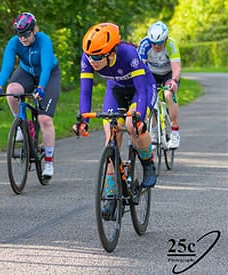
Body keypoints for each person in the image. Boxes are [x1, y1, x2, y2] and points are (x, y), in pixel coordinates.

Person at [74, 23, 157, 217]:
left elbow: (142, 90)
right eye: (89, 56)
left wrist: (140, 117)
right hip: (116, 90)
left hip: (141, 89)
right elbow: (86, 91)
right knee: (111, 135)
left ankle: (148, 162)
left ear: (111, 53)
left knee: (132, 125)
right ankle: (111, 192)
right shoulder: (88, 58)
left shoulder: (129, 54)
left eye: (96, 57)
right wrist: (83, 119)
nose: (91, 60)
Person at [0, 12, 61, 180]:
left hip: (48, 74)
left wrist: (41, 87)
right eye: (19, 34)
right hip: (26, 72)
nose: (23, 38)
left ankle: (49, 162)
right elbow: (7, 66)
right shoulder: (14, 43)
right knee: (12, 91)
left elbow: (45, 67)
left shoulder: (44, 40)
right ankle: (23, 123)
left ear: (34, 31)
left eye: (26, 34)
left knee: (45, 119)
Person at [137, 21, 181, 149]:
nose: (156, 46)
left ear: (165, 39)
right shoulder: (144, 44)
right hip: (151, 75)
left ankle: (174, 131)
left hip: (168, 74)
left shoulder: (171, 45)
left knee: (168, 94)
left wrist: (174, 81)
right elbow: (140, 68)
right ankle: (154, 132)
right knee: (151, 99)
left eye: (159, 43)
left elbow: (176, 68)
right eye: (153, 43)